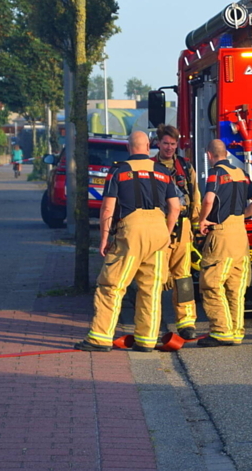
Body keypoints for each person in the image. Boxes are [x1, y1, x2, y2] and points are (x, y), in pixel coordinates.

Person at [75, 131, 181, 352]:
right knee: (151, 288)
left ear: (128, 148)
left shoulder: (119, 171)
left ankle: (100, 337)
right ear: (149, 146)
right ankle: (147, 340)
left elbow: (108, 207)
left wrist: (104, 237)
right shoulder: (163, 171)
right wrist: (166, 233)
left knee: (112, 285)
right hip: (159, 230)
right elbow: (175, 207)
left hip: (131, 230)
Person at [196, 139, 252, 347]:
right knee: (236, 287)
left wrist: (202, 220)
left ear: (209, 155)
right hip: (239, 234)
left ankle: (220, 331)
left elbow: (208, 199)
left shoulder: (216, 173)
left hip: (222, 234)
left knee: (211, 284)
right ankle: (235, 331)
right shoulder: (242, 174)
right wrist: (243, 216)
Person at [151, 124, 202, 340]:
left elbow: (195, 194)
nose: (169, 148)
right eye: (165, 143)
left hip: (182, 228)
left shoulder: (185, 166)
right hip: (157, 226)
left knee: (183, 278)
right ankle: (152, 322)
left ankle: (186, 322)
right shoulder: (150, 166)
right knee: (154, 277)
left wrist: (196, 226)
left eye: (173, 144)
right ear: (158, 143)